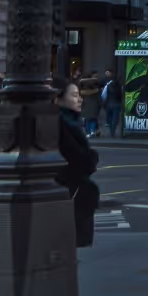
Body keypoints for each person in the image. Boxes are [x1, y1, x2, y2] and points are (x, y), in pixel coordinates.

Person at [53, 77, 100, 248]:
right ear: (58, 98)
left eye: (79, 95)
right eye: (74, 95)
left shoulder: (70, 121)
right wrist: (92, 156)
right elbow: (78, 159)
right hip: (69, 192)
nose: (80, 99)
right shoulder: (61, 123)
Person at [100, 70, 123, 138]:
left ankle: (111, 130)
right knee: (115, 118)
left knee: (109, 118)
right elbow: (121, 96)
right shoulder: (119, 87)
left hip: (109, 104)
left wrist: (104, 101)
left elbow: (103, 95)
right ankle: (113, 130)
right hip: (117, 104)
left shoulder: (108, 86)